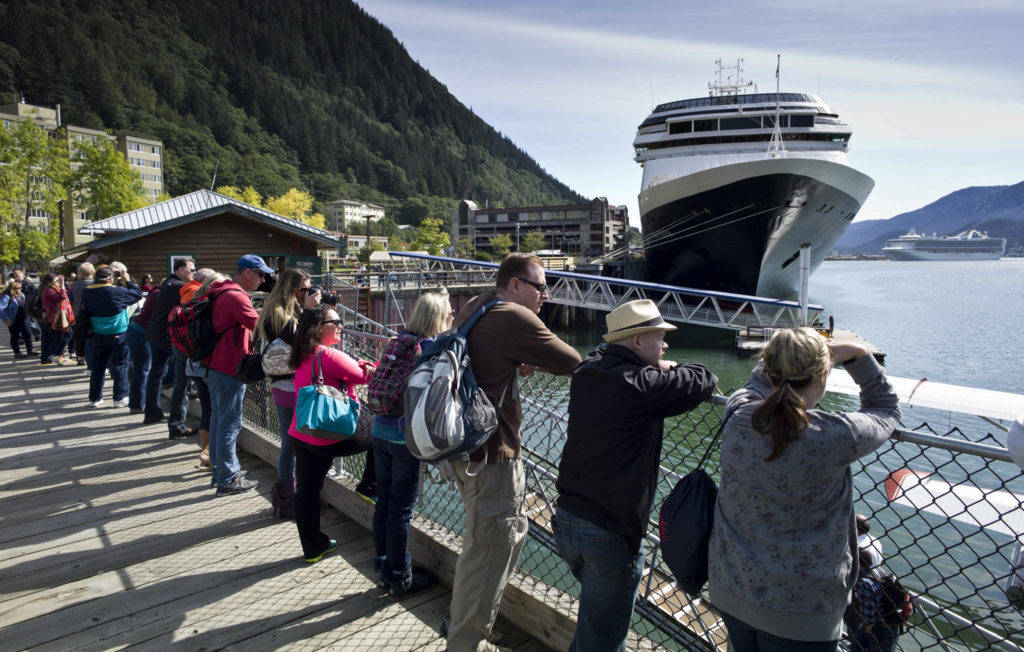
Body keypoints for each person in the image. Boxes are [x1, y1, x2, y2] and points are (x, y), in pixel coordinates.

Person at [708, 328, 900, 651]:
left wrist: (786, 352)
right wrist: (860, 356)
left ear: (769, 370)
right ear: (823, 378)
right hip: (803, 612)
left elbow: (755, 384)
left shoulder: (738, 414)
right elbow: (885, 409)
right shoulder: (836, 435)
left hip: (733, 586)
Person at [554, 300, 717, 652]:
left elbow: (605, 360)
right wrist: (666, 368)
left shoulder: (588, 371)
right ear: (639, 341)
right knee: (603, 640)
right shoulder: (643, 385)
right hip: (609, 532)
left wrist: (656, 366)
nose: (666, 345)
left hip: (567, 519)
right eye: (660, 338)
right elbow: (704, 378)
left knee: (597, 626)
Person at [445, 253, 582, 652]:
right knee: (487, 556)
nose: (546, 295)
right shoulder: (513, 316)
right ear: (516, 285)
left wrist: (515, 356)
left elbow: (486, 357)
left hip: (464, 448)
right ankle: (466, 644)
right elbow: (571, 361)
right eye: (540, 286)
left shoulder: (477, 306)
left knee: (484, 547)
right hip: (493, 457)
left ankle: (466, 631)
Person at [371, 291, 453, 597]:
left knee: (384, 502)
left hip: (379, 430)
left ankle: (383, 566)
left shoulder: (399, 340)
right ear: (438, 318)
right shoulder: (431, 348)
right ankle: (399, 577)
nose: (451, 318)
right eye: (449, 313)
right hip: (404, 438)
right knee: (401, 509)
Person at [288, 305, 376, 562]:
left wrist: (358, 366)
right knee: (380, 430)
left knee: (306, 491)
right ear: (318, 328)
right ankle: (369, 486)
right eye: (335, 321)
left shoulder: (302, 353)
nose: (341, 325)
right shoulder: (328, 355)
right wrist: (374, 365)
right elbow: (362, 376)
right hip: (329, 433)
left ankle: (313, 548)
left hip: (303, 431)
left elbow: (343, 370)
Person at [255, 268, 321, 517]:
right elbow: (300, 344)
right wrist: (310, 311)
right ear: (292, 289)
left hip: (280, 385)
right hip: (292, 385)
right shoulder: (282, 315)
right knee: (300, 443)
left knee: (290, 443)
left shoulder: (274, 311)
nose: (307, 292)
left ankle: (286, 496)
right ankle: (292, 498)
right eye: (304, 289)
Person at [205, 254, 271, 495]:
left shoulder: (222, 291)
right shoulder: (236, 296)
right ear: (246, 272)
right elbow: (261, 327)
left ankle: (220, 472)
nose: (263, 280)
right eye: (260, 274)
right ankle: (227, 478)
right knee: (230, 424)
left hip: (215, 365)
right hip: (229, 367)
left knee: (218, 420)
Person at [144, 258, 195, 434]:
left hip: (156, 332)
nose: (193, 273)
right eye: (191, 270)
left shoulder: (168, 282)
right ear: (180, 269)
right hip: (164, 335)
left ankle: (152, 412)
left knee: (157, 373)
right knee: (180, 377)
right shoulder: (178, 286)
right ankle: (176, 423)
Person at [79, 266, 144, 407]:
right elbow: (138, 294)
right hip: (117, 332)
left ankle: (95, 398)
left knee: (98, 366)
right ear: (111, 279)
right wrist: (128, 281)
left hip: (97, 332)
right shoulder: (116, 291)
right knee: (120, 364)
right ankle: (119, 398)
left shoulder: (87, 292)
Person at [186, 271, 225, 469]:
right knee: (215, 410)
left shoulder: (193, 301)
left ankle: (206, 453)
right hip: (208, 365)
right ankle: (209, 454)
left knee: (207, 409)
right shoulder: (211, 305)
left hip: (194, 364)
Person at [848, 549, 899, 652]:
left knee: (868, 646)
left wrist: (869, 626)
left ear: (858, 564)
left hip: (878, 624)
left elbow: (869, 608)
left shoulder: (864, 583)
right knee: (856, 644)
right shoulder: (878, 571)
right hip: (891, 618)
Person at [126, 287, 161, 415]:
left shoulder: (155, 293)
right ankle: (137, 404)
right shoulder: (160, 296)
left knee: (139, 369)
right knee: (142, 370)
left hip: (137, 332)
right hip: (141, 334)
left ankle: (137, 403)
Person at [40, 273, 73, 365]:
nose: (58, 282)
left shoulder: (53, 289)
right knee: (67, 334)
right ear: (49, 282)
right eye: (56, 281)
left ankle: (58, 356)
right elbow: (61, 297)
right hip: (55, 317)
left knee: (60, 337)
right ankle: (55, 354)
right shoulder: (47, 290)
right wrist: (62, 286)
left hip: (59, 316)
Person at [69, 262, 95, 365]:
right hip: (91, 312)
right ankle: (90, 356)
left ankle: (80, 357)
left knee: (79, 336)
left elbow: (71, 299)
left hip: (78, 312)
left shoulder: (74, 285)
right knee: (91, 335)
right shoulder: (93, 284)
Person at [0, 281, 33, 358]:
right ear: (12, 288)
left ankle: (30, 350)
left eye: (20, 288)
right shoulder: (7, 296)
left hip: (23, 317)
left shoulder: (21, 294)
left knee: (27, 334)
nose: (19, 289)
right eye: (17, 288)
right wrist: (6, 319)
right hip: (14, 318)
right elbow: (0, 308)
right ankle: (17, 352)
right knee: (15, 335)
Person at [857, 514, 884, 579]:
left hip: (862, 578)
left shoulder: (858, 545)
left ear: (856, 529)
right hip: (876, 577)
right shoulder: (875, 540)